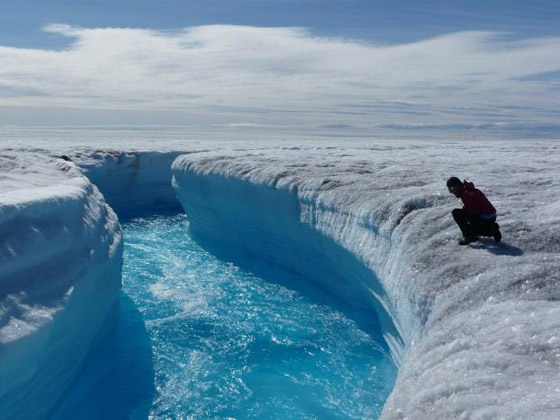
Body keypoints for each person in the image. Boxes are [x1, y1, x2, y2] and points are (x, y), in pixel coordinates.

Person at [447, 177, 502, 245]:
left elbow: (474, 211)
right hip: (490, 216)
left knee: (456, 213)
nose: (452, 192)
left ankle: (472, 235)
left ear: (457, 186)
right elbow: (471, 206)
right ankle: (491, 229)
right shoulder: (466, 190)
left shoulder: (466, 193)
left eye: (452, 189)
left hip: (486, 217)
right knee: (469, 222)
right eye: (449, 190)